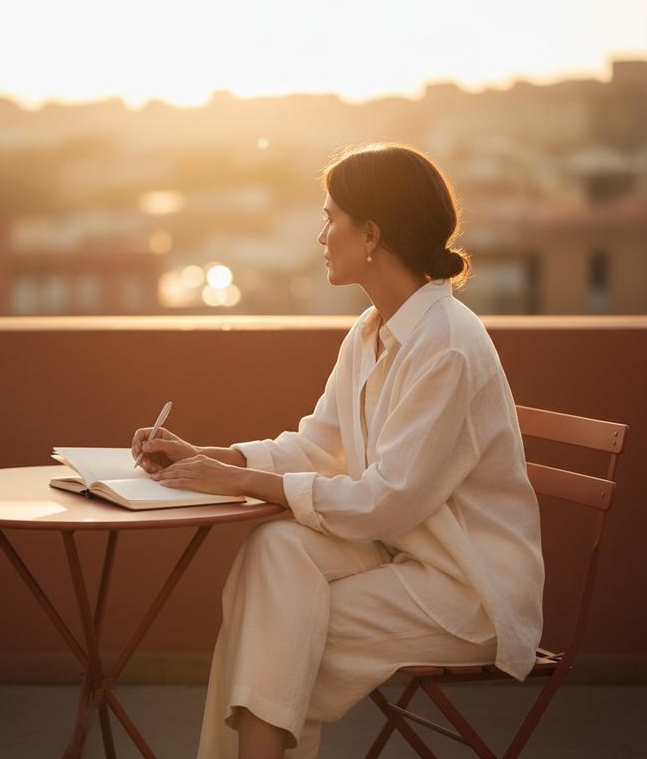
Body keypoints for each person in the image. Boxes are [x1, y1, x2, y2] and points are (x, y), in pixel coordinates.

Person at [131, 143, 545, 759]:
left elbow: (388, 501)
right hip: (402, 557)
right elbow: (319, 446)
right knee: (274, 550)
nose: (321, 235)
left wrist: (242, 482)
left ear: (372, 233)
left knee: (273, 634)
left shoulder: (448, 344)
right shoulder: (372, 330)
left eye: (331, 218)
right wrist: (219, 458)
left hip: (465, 587)